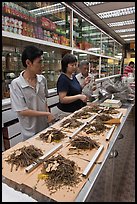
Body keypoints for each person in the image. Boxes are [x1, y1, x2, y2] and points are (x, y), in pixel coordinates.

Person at [10, 45, 55, 141]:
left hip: (45, 128)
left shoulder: (42, 79)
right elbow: (23, 111)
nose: (42, 65)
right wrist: (46, 114)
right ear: (28, 63)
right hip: (29, 133)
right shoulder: (16, 84)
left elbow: (44, 100)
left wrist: (47, 114)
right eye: (39, 62)